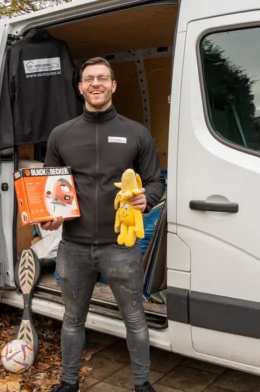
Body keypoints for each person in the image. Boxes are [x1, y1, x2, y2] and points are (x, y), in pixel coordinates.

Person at [41, 57, 165, 392]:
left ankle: (142, 385)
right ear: (80, 87)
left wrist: (147, 199)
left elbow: (155, 181)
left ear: (113, 85)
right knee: (72, 319)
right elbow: (49, 188)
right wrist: (49, 215)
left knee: (135, 319)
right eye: (89, 79)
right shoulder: (60, 135)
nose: (96, 84)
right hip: (73, 247)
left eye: (103, 78)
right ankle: (68, 383)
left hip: (121, 247)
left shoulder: (135, 133)